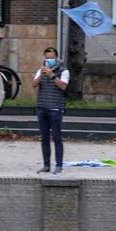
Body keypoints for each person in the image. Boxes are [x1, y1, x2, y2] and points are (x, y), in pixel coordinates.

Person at [33, 46, 69, 174]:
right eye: (47, 58)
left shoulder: (64, 71)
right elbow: (33, 85)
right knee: (44, 138)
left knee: (57, 137)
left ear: (56, 58)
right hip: (42, 107)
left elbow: (63, 86)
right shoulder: (41, 70)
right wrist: (41, 75)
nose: (49, 60)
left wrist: (52, 76)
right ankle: (46, 165)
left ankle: (59, 165)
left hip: (55, 108)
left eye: (52, 58)